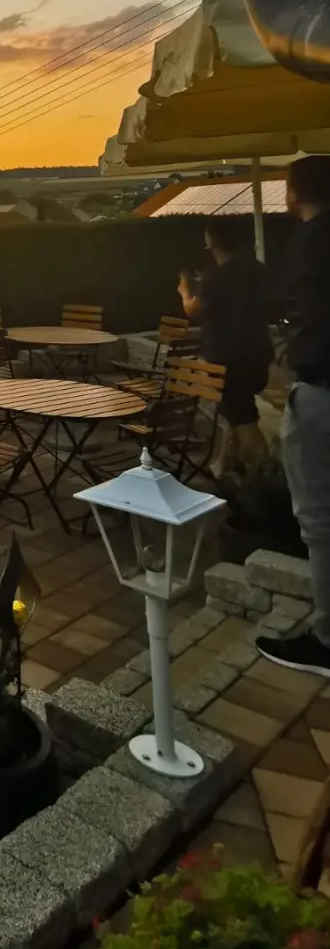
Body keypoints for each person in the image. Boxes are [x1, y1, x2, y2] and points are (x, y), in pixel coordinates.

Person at [256, 155, 330, 677]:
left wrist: (291, 357)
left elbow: (307, 317)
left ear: (297, 191)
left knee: (320, 521)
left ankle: (328, 640)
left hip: (323, 391)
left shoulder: (313, 241)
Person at [177, 219, 272, 467]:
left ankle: (264, 473)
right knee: (236, 412)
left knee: (243, 417)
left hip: (229, 356)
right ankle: (231, 465)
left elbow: (193, 309)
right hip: (259, 352)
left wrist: (185, 291)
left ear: (212, 242)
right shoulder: (257, 269)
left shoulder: (215, 277)